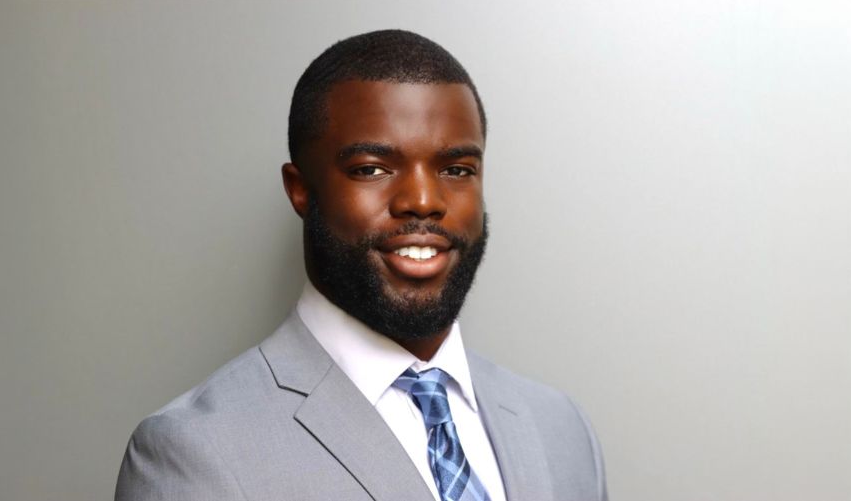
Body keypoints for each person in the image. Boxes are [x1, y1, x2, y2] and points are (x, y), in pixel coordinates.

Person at [115, 29, 608, 501]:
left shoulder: (561, 428)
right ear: (300, 189)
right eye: (371, 169)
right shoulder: (195, 452)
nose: (422, 200)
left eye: (457, 170)